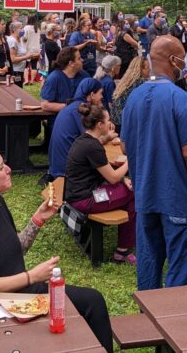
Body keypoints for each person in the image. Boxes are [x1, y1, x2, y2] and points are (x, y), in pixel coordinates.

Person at [0, 144, 114, 352]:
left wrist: (37, 220)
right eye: (1, 168)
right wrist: (31, 276)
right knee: (85, 306)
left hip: (22, 295)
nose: (9, 169)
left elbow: (13, 251)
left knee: (92, 301)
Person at [120, 35, 187, 291]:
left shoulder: (134, 97)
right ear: (173, 60)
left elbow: (125, 146)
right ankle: (175, 321)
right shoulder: (181, 99)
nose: (186, 65)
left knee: (149, 262)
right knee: (181, 269)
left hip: (146, 197)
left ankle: (148, 320)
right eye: (182, 59)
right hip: (179, 200)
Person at [65, 103, 136, 264]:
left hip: (77, 193)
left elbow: (105, 170)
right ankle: (123, 251)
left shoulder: (84, 140)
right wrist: (132, 158)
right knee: (134, 193)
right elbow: (112, 177)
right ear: (100, 125)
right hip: (85, 200)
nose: (111, 124)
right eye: (108, 120)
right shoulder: (93, 147)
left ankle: (126, 244)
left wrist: (123, 178)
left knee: (127, 188)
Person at [47, 79, 103, 180]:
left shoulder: (73, 106)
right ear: (92, 95)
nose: (102, 97)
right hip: (67, 171)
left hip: (57, 167)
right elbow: (92, 140)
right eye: (100, 93)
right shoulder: (80, 111)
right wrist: (108, 136)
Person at [110, 56, 149, 132]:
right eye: (148, 68)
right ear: (141, 69)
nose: (150, 70)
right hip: (127, 124)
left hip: (116, 122)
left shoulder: (126, 81)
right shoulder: (141, 82)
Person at [7, 21, 36, 87]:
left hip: (20, 70)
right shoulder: (12, 41)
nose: (23, 30)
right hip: (15, 71)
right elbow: (13, 59)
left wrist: (32, 55)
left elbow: (23, 53)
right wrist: (26, 57)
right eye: (21, 28)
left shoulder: (20, 40)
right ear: (14, 30)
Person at [23, 15, 41, 84]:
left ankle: (26, 80)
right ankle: (32, 81)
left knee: (25, 65)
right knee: (34, 65)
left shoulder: (26, 27)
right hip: (36, 49)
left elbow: (24, 38)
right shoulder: (37, 28)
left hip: (28, 48)